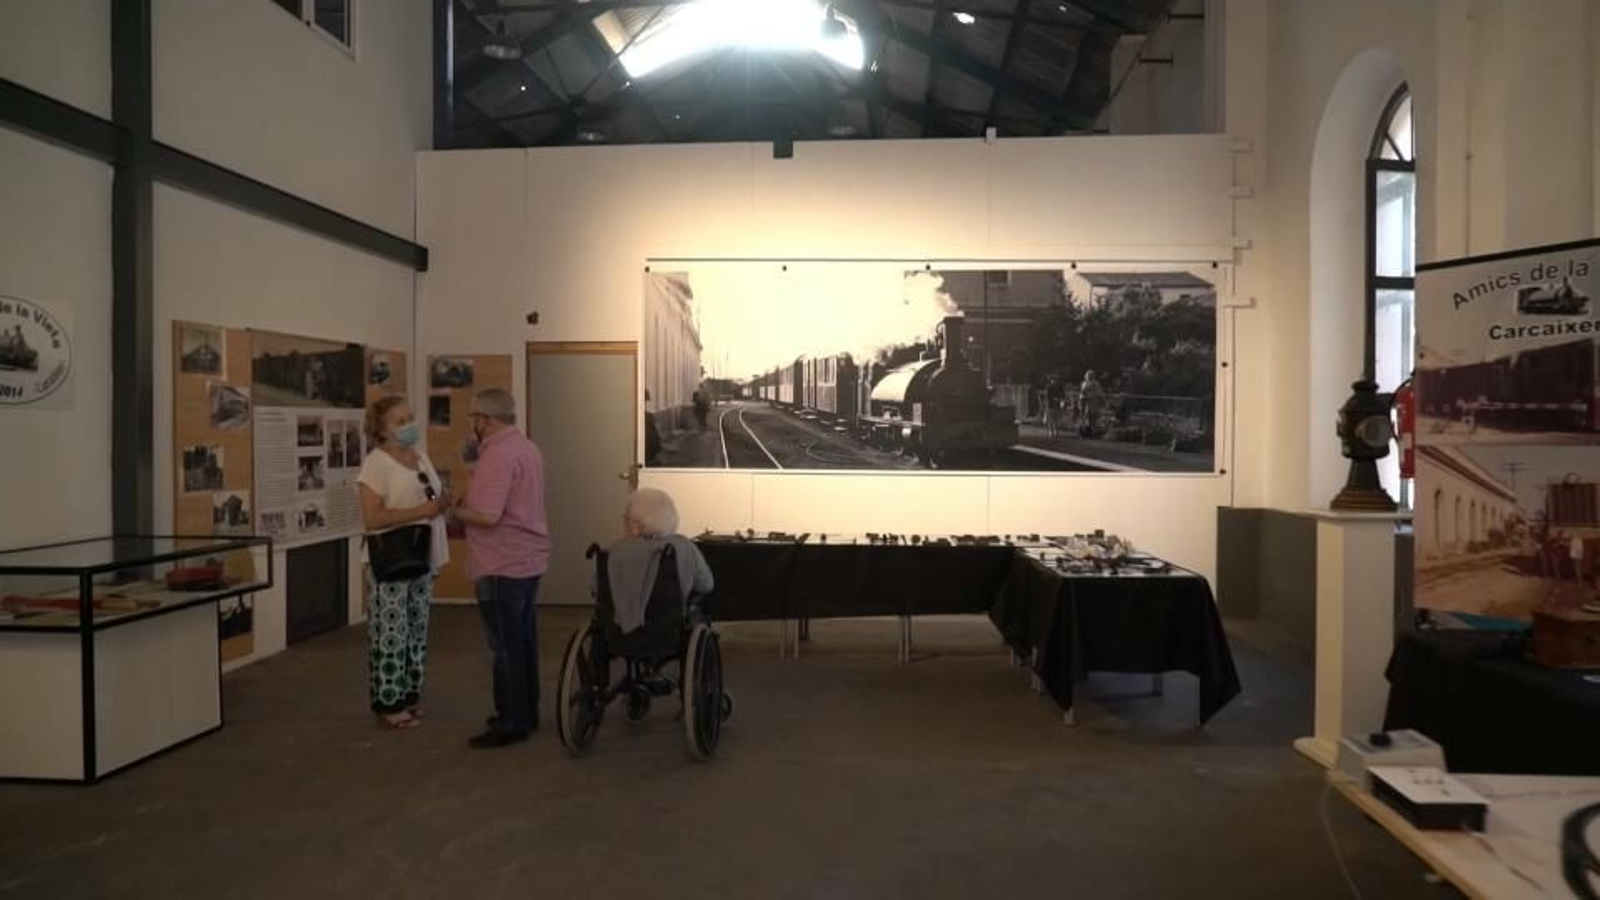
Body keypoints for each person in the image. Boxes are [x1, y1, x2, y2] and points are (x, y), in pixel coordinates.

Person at [450, 388, 551, 749]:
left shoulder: (497, 456)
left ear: (485, 420)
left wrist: (454, 510)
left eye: (474, 418)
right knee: (524, 641)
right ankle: (527, 712)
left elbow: (487, 516)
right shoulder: (527, 448)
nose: (472, 425)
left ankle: (510, 722)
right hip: (527, 560)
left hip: (500, 564)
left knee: (505, 648)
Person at [356, 395, 450, 731]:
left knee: (416, 631)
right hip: (390, 558)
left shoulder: (419, 457)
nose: (409, 425)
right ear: (381, 429)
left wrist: (442, 504)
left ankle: (410, 695)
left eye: (410, 417)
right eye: (399, 421)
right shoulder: (376, 464)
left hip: (422, 555)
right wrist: (423, 512)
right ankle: (389, 702)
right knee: (391, 632)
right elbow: (372, 517)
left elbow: (430, 498)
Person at [605, 488, 714, 634]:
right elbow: (706, 585)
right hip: (669, 630)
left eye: (626, 518)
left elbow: (596, 588)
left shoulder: (614, 550)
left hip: (619, 632)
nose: (623, 522)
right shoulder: (684, 546)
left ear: (637, 524)